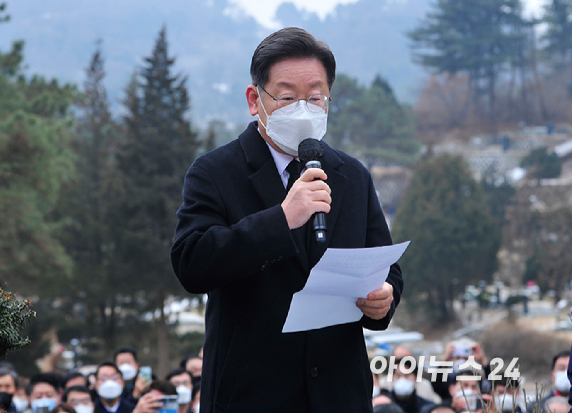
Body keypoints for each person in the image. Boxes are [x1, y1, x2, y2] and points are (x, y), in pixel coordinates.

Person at [170, 26, 404, 413]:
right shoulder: (214, 172)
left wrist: (384, 298)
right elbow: (191, 262)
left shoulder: (352, 175)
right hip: (250, 394)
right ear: (254, 99)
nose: (303, 109)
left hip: (338, 394)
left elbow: (385, 265)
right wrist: (281, 218)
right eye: (287, 97)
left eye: (314, 97)